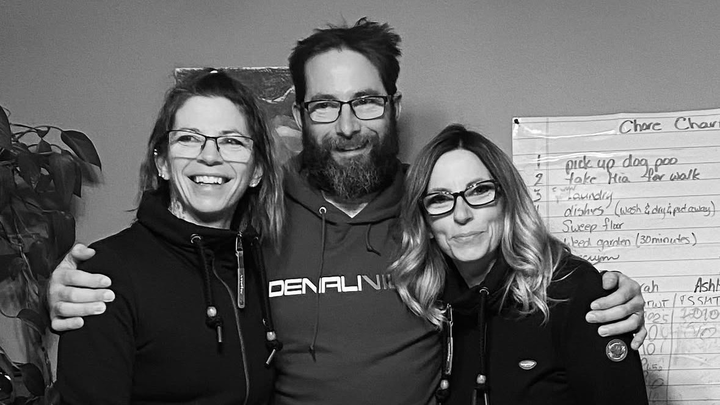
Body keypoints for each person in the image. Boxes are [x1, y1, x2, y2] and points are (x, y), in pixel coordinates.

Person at [47, 19, 647, 405]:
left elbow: (515, 263)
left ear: (394, 105)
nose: (348, 125)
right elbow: (178, 252)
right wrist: (72, 285)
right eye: (325, 106)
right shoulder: (256, 207)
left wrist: (604, 296)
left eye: (365, 102)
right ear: (300, 115)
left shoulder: (433, 205)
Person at [54, 69, 284, 404]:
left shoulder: (259, 267)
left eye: (232, 141)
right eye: (188, 138)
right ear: (161, 162)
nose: (210, 156)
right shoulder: (106, 274)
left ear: (256, 171)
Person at [391, 124, 648, 404]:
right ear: (425, 223)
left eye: (479, 191)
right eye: (440, 199)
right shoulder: (429, 307)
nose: (462, 215)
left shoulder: (572, 292)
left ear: (508, 202)